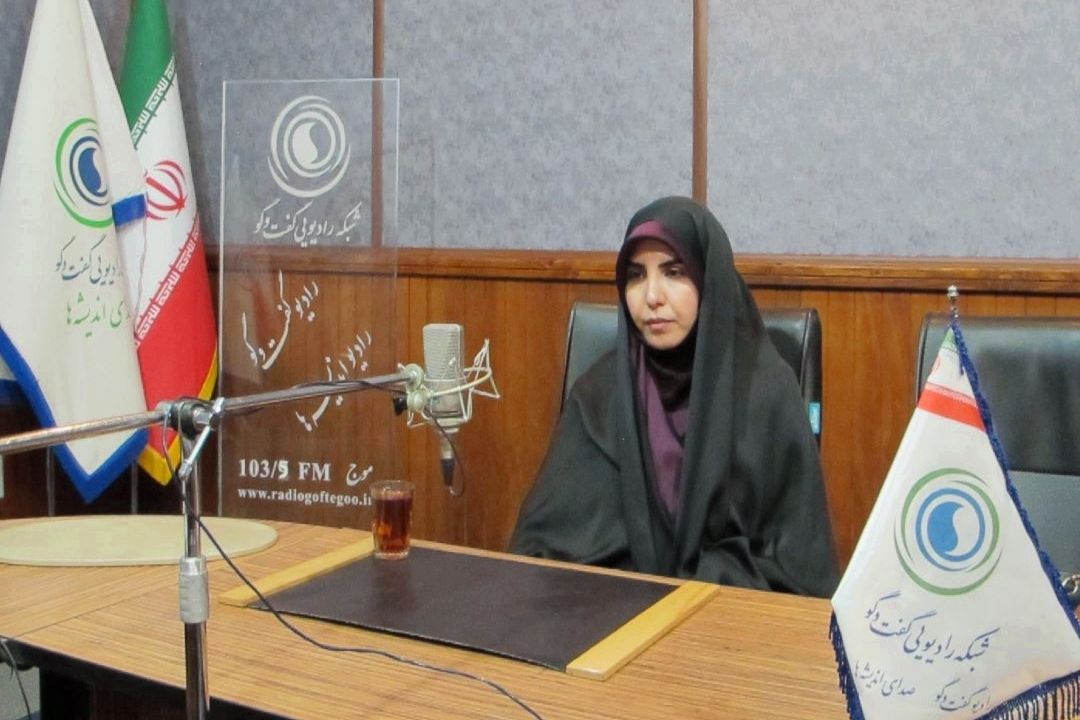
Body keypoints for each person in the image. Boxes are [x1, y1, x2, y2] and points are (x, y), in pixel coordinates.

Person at [509, 196, 838, 597]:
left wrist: (700, 583)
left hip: (729, 619)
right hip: (614, 617)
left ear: (708, 279)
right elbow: (538, 557)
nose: (652, 296)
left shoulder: (767, 393)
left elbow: (799, 571)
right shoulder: (597, 395)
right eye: (636, 275)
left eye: (674, 272)